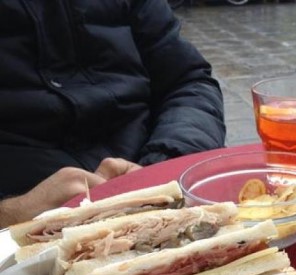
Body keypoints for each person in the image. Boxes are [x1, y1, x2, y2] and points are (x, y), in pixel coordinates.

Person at [0, 0, 226, 228]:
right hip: (25, 229)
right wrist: (11, 213)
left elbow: (188, 81)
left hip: (160, 186)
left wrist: (162, 166)